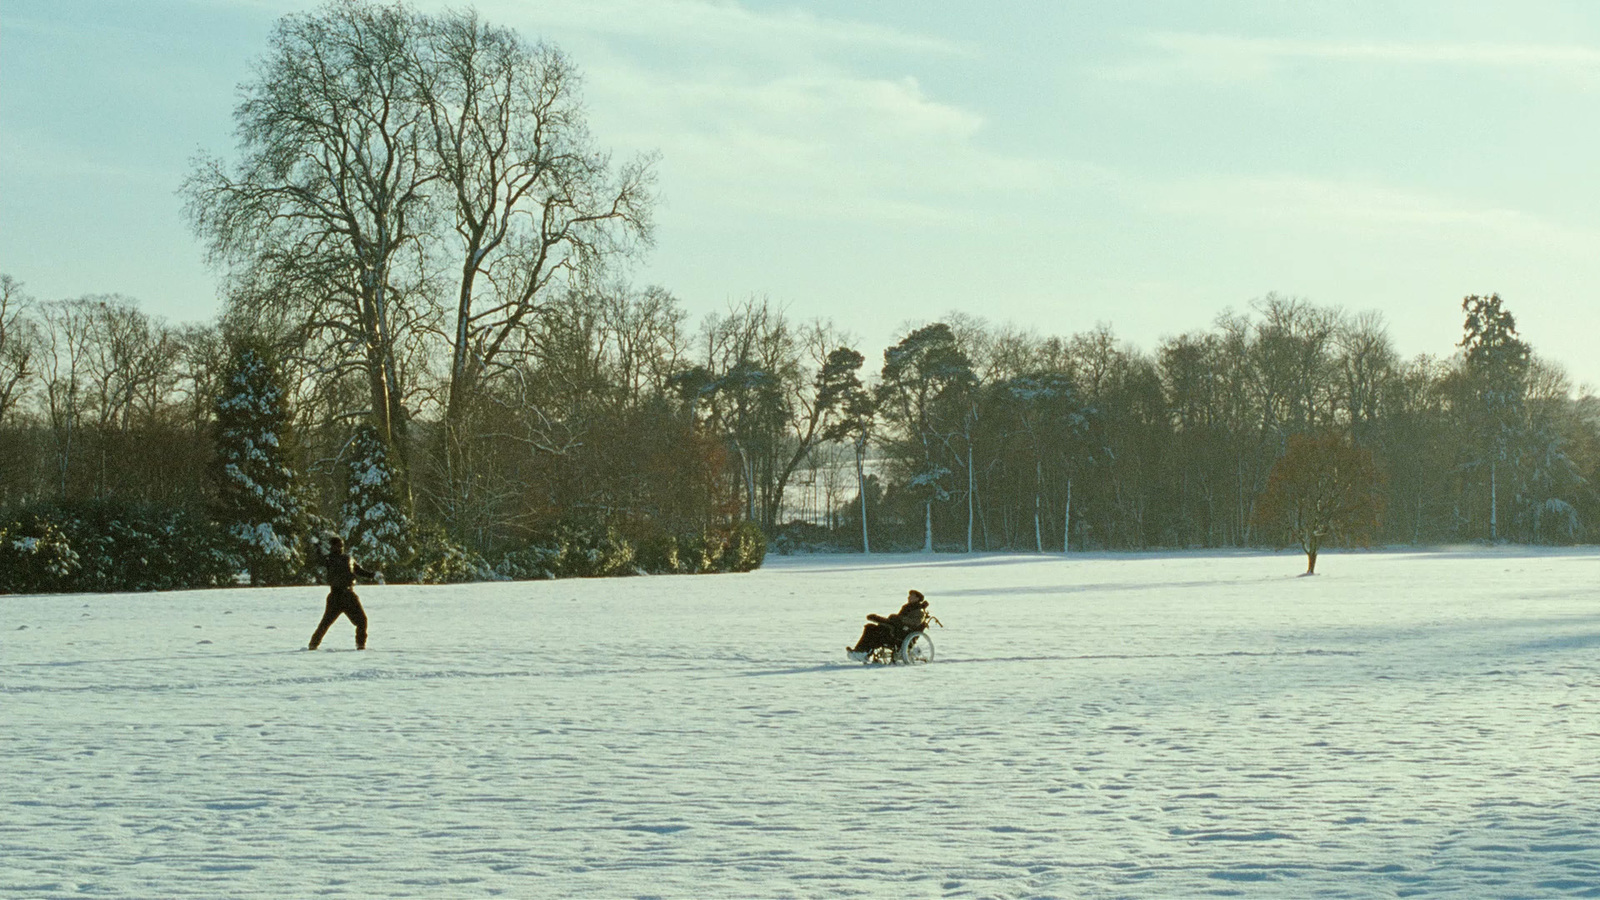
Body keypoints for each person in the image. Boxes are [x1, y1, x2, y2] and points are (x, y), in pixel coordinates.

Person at [307, 536, 378, 650]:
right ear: (332, 547)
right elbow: (318, 560)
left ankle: (361, 645)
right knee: (325, 623)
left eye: (341, 545)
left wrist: (372, 575)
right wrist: (317, 547)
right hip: (336, 596)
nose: (340, 547)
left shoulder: (348, 558)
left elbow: (358, 570)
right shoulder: (329, 559)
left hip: (349, 595)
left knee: (362, 621)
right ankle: (313, 645)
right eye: (337, 545)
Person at [847, 589, 932, 659]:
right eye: (909, 596)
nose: (908, 597)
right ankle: (860, 651)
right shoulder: (907, 608)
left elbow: (915, 622)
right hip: (896, 630)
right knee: (870, 627)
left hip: (901, 636)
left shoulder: (919, 611)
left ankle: (864, 653)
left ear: (917, 598)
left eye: (911, 596)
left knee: (877, 632)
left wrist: (899, 618)